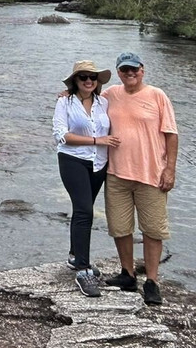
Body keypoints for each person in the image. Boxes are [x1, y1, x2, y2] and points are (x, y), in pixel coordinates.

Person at [102, 51, 179, 306]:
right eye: (125, 70)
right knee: (120, 227)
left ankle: (152, 281)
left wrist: (170, 170)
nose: (130, 73)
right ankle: (128, 274)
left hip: (151, 175)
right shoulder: (110, 95)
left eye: (134, 69)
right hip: (117, 174)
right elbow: (85, 99)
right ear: (119, 73)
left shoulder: (157, 95)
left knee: (153, 229)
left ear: (142, 70)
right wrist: (66, 94)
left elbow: (171, 135)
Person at [52, 59, 119, 297]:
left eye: (92, 77)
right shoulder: (64, 102)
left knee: (83, 209)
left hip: (98, 163)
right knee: (84, 211)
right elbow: (61, 135)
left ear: (98, 81)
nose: (88, 81)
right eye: (83, 77)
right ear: (75, 81)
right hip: (73, 160)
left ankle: (74, 256)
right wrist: (97, 140)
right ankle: (83, 270)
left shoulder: (104, 102)